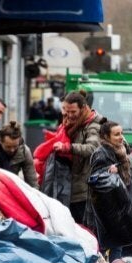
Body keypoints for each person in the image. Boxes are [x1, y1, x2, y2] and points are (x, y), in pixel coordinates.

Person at [53, 90, 104, 223]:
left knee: (84, 229)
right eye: (67, 112)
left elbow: (92, 148)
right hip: (72, 187)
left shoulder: (93, 126)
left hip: (85, 190)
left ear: (84, 108)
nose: (69, 115)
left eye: (73, 112)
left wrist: (67, 147)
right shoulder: (74, 124)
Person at [89, 120, 132, 263]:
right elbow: (94, 180)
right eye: (116, 135)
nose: (121, 137)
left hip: (118, 207)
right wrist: (108, 173)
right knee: (107, 249)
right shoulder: (101, 153)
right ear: (106, 137)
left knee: (117, 248)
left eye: (121, 133)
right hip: (107, 211)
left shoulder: (120, 151)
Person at [0, 120, 39, 189]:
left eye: (15, 146)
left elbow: (32, 181)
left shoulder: (25, 152)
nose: (12, 150)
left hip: (12, 185)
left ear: (19, 140)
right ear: (0, 141)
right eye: (8, 147)